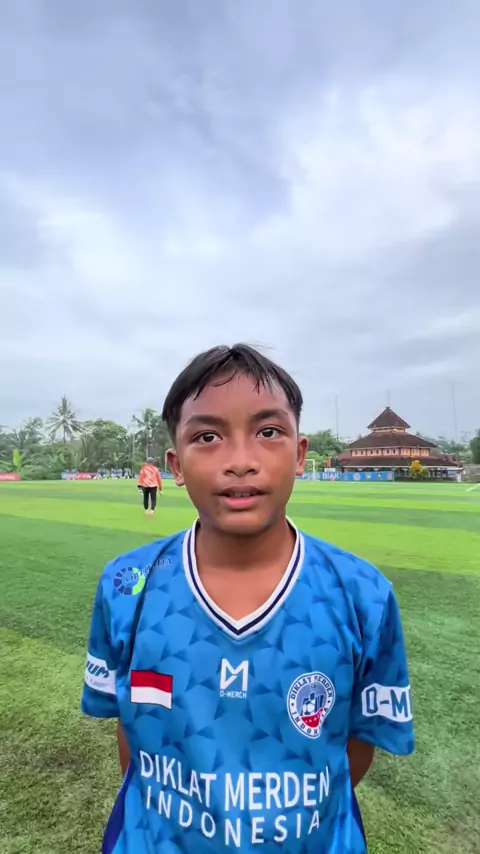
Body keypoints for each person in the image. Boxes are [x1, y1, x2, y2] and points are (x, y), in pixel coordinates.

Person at [81, 344, 414, 854]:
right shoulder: (127, 584)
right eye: (208, 437)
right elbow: (132, 733)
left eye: (268, 432)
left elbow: (354, 750)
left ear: (299, 454)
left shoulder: (362, 593)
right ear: (176, 464)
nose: (240, 462)